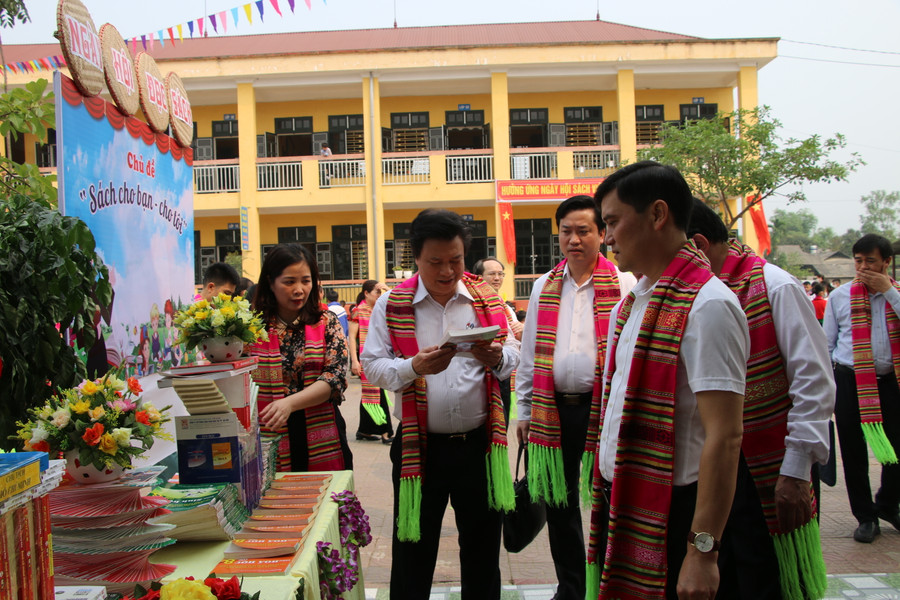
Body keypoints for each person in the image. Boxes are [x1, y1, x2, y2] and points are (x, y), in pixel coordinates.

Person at [588, 161, 749, 600]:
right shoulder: (634, 302)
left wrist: (702, 552)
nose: (607, 237)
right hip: (630, 497)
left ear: (657, 215)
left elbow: (726, 436)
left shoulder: (709, 305)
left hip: (679, 512)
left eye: (613, 222)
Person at [361, 208, 519, 600]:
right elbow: (372, 366)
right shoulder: (393, 304)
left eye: (456, 260)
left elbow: (517, 352)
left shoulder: (485, 297)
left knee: (483, 557)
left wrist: (497, 358)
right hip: (420, 451)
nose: (447, 271)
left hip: (479, 448)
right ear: (416, 257)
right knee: (413, 553)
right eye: (436, 262)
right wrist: (413, 366)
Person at [687, 197, 832, 600]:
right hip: (715, 464)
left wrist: (797, 467)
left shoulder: (775, 286)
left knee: (769, 577)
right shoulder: (692, 295)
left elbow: (814, 382)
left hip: (767, 464)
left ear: (698, 245)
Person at [515, 194, 636, 600]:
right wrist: (525, 410)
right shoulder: (542, 286)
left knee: (610, 500)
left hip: (604, 411)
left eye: (584, 230)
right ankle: (570, 587)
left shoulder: (624, 283)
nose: (574, 239)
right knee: (559, 506)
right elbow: (530, 354)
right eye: (566, 231)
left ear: (603, 234)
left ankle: (607, 583)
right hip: (554, 413)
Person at [823, 233, 900, 543]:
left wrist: (889, 292)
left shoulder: (896, 295)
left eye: (871, 261)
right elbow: (827, 343)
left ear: (886, 262)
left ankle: (886, 503)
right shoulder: (840, 297)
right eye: (858, 261)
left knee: (896, 452)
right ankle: (865, 517)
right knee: (853, 453)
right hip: (849, 380)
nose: (864, 267)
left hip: (891, 382)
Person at [248, 244, 352, 472]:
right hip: (268, 428)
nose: (299, 290)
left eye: (306, 281)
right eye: (289, 282)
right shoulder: (251, 326)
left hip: (321, 428)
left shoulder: (327, 321)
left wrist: (289, 403)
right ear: (270, 282)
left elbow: (334, 377)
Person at [473, 256, 524, 423]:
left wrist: (524, 331)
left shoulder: (506, 307)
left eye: (501, 274)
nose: (497, 278)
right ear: (479, 278)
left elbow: (518, 341)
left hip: (503, 372)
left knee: (502, 422)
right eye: (492, 274)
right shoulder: (472, 305)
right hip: (479, 374)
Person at [349, 280, 394, 444]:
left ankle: (365, 430)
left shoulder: (379, 309)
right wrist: (354, 361)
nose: (379, 295)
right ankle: (386, 432)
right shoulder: (357, 311)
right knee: (377, 392)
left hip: (380, 356)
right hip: (366, 359)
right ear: (366, 293)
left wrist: (388, 289)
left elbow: (396, 301)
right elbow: (352, 339)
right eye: (377, 292)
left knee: (371, 394)